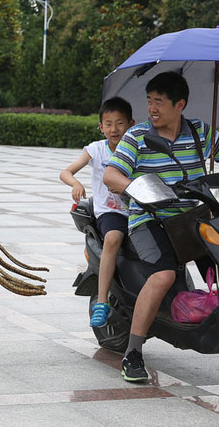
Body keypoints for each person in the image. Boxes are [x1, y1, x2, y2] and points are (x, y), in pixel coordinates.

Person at [103, 71, 219, 383]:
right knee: (163, 275)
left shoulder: (200, 132)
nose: (152, 108)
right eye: (149, 101)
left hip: (193, 217)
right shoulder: (137, 137)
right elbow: (111, 175)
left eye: (159, 102)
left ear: (180, 105)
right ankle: (133, 353)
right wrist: (137, 188)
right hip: (150, 219)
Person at [59, 97, 135, 328]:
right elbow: (66, 172)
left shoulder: (137, 149)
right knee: (113, 238)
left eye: (120, 123)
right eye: (109, 124)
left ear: (131, 124)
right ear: (101, 127)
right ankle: (102, 301)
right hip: (109, 212)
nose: (114, 129)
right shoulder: (96, 150)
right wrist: (75, 184)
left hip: (137, 210)